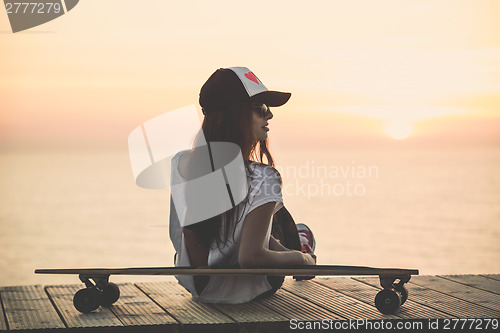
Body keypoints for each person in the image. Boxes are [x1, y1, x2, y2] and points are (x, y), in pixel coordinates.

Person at [169, 67, 316, 303]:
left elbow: (196, 239)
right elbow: (251, 257)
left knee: (245, 215)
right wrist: (302, 261)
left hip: (200, 289)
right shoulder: (264, 176)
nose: (269, 116)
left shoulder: (181, 164)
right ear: (234, 114)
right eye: (261, 108)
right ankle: (302, 245)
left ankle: (296, 245)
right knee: (275, 214)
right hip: (252, 288)